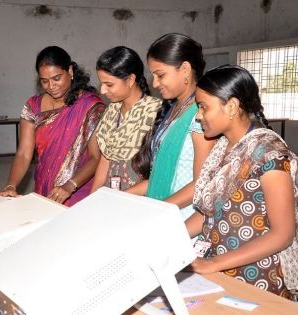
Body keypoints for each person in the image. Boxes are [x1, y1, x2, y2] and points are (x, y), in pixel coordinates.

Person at [186, 65, 298, 300]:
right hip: (218, 271)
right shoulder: (222, 148)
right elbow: (210, 213)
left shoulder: (270, 154)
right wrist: (167, 236)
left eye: (203, 107)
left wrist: (213, 263)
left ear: (232, 106)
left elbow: (283, 234)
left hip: (257, 278)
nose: (198, 115)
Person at [0, 46, 105, 206]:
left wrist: (70, 186)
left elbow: (96, 157)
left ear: (70, 71)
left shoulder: (90, 106)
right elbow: (23, 153)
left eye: (57, 78)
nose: (51, 86)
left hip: (79, 191)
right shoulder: (33, 106)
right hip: (45, 188)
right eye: (44, 81)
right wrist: (11, 185)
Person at [125, 33, 215, 220]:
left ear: (185, 69)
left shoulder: (200, 115)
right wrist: (120, 197)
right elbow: (160, 174)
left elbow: (202, 184)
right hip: (163, 210)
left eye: (160, 75)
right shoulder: (172, 110)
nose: (155, 83)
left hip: (184, 218)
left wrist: (159, 209)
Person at [91, 46, 162, 192]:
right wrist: (93, 199)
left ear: (130, 80)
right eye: (102, 83)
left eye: (109, 84)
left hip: (138, 199)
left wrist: (120, 199)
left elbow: (158, 175)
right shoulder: (111, 112)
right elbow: (105, 160)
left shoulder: (155, 113)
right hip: (110, 196)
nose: (102, 91)